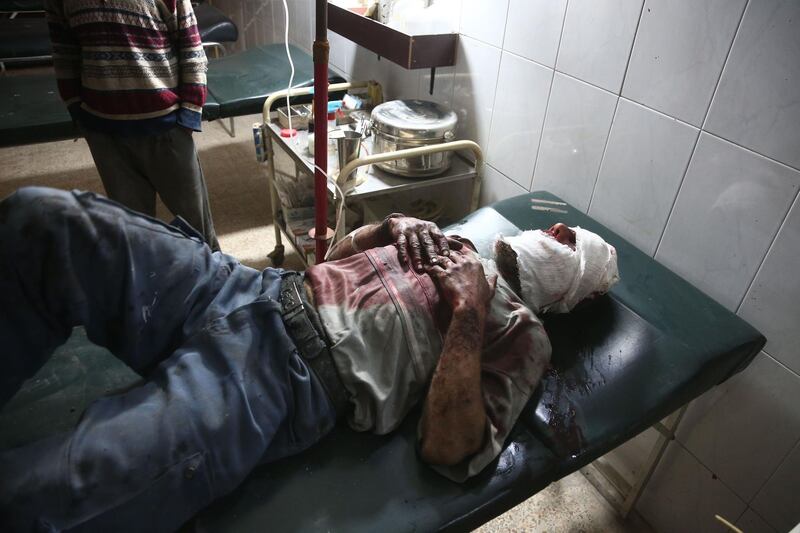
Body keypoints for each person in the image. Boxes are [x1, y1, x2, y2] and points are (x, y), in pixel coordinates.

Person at [0, 187, 619, 532]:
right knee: (45, 221)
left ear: (576, 294)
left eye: (578, 245)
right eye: (563, 228)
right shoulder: (459, 243)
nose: (560, 233)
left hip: (276, 381)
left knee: (47, 494)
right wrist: (384, 230)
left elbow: (452, 449)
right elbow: (332, 259)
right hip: (244, 287)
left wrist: (464, 313)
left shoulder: (522, 334)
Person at [45, 0, 220, 251]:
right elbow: (64, 51)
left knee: (197, 229)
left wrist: (188, 115)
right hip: (105, 134)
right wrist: (76, 107)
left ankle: (216, 287)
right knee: (132, 234)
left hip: (167, 128)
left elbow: (192, 48)